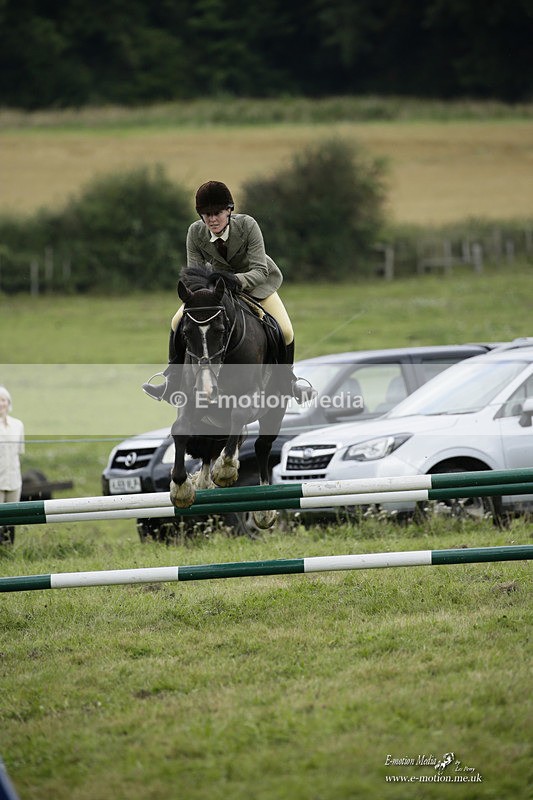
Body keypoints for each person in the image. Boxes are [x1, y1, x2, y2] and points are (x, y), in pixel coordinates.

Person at [142, 180, 316, 405]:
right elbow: (193, 275)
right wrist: (206, 292)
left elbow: (260, 270)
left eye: (217, 213)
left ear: (229, 210)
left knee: (285, 330)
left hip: (256, 285)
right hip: (216, 290)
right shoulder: (195, 232)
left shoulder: (248, 225)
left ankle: (288, 382)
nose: (212, 219)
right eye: (206, 214)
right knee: (177, 321)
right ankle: (171, 379)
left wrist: (234, 280)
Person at [0, 386, 24, 545]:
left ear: (8, 403)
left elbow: (19, 451)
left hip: (14, 479)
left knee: (12, 517)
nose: (1, 403)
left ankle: (9, 549)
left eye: (3, 400)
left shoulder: (18, 425)